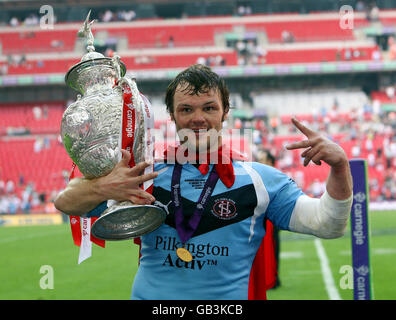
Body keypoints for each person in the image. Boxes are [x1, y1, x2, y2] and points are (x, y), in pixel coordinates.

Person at [54, 64, 353, 300]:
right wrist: (101, 187)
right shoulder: (143, 173)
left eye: (209, 108)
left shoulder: (261, 180)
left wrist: (339, 168)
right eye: (186, 109)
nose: (198, 118)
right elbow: (66, 203)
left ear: (224, 113)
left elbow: (327, 223)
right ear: (171, 115)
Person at [256, 149, 281, 289]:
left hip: (272, 219)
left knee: (273, 248)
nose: (260, 162)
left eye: (263, 159)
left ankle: (273, 279)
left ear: (270, 162)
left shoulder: (275, 176)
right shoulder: (257, 175)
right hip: (260, 219)